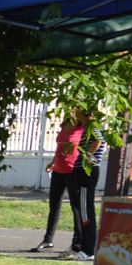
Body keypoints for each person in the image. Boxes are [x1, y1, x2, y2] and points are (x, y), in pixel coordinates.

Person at [34, 108, 92, 256]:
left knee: (75, 206)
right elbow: (60, 146)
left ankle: (77, 243)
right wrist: (53, 162)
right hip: (58, 169)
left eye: (73, 107)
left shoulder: (82, 126)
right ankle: (48, 240)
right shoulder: (64, 124)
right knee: (54, 205)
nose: (69, 110)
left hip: (73, 169)